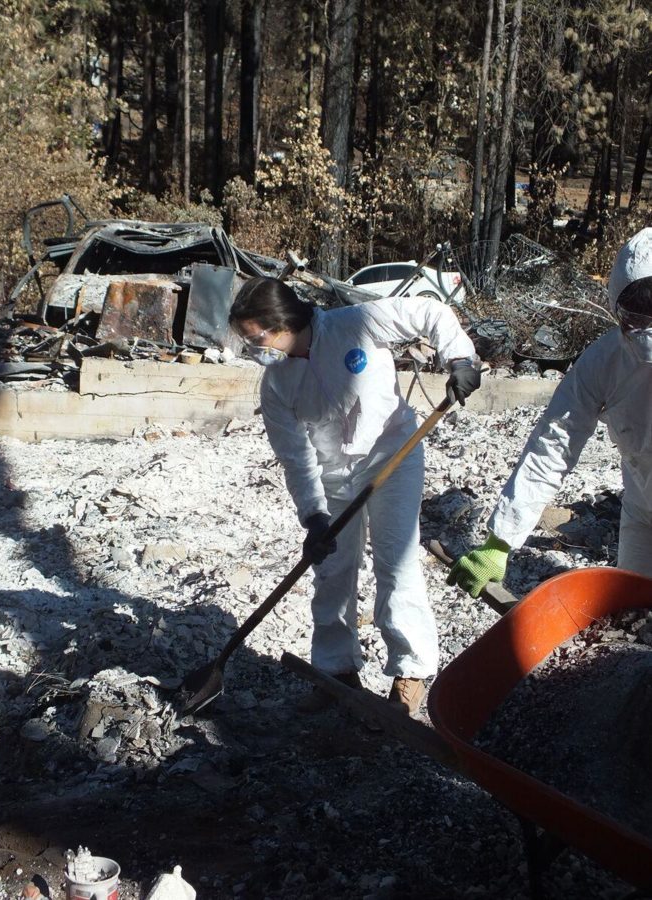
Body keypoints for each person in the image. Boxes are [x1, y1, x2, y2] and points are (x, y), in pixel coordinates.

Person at [228, 276, 480, 716]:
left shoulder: (356, 324)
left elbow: (430, 311)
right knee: (333, 571)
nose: (254, 350)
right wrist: (314, 516)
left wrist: (460, 357)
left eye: (257, 338)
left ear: (284, 322)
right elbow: (296, 457)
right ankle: (335, 671)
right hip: (333, 477)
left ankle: (411, 671)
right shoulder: (276, 384)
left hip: (392, 456)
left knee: (395, 562)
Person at [448, 227, 652, 598]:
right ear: (617, 309)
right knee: (634, 612)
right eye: (638, 316)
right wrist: (500, 542)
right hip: (643, 511)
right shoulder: (602, 362)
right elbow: (553, 444)